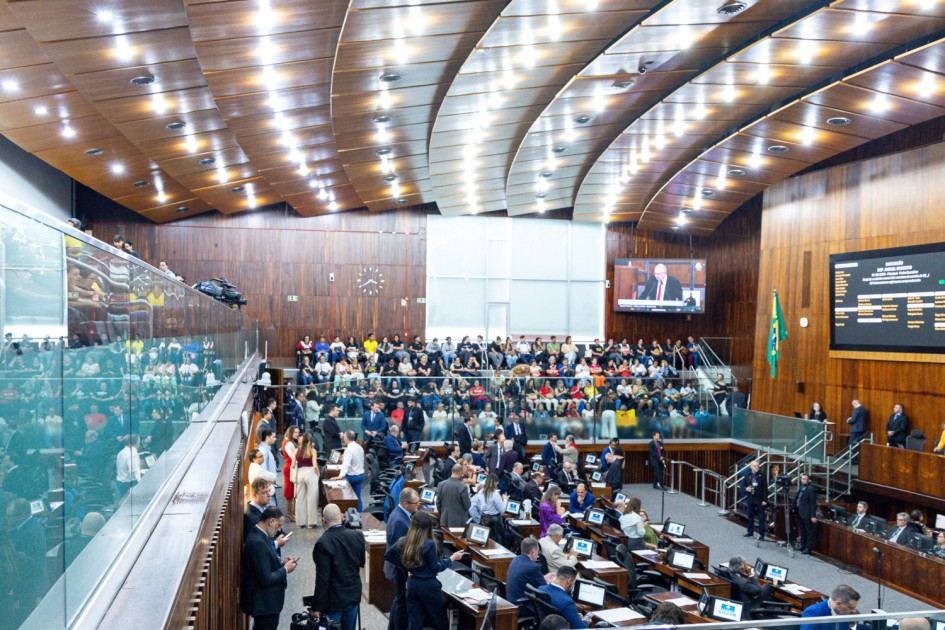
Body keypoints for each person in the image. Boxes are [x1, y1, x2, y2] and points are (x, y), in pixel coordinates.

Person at [385, 510, 464, 630]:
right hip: (429, 587)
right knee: (440, 622)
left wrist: (407, 566)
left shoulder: (403, 541)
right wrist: (452, 558)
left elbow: (389, 556)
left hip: (412, 586)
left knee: (415, 623)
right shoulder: (429, 544)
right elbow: (436, 568)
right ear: (428, 526)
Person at [240, 506, 297, 630]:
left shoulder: (261, 536)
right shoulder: (257, 542)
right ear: (271, 521)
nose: (279, 529)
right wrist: (285, 569)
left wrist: (282, 564)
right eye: (278, 525)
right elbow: (266, 578)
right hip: (264, 605)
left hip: (267, 604)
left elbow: (265, 566)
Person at [311, 504, 366, 630]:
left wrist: (316, 607)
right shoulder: (358, 536)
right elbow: (361, 562)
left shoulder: (323, 543)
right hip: (353, 596)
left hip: (333, 601)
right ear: (341, 516)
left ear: (323, 520)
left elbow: (322, 579)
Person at [386, 488, 420, 630]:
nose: (418, 506)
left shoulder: (401, 514)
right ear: (405, 504)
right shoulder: (400, 521)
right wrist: (408, 572)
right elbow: (399, 552)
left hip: (399, 569)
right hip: (400, 570)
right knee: (402, 605)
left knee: (399, 600)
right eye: (416, 503)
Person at [507, 537, 553, 603]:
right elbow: (544, 589)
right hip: (523, 606)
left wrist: (543, 578)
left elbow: (528, 578)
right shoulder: (533, 567)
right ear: (533, 552)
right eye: (538, 551)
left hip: (512, 600)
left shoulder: (516, 559)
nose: (538, 554)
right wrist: (555, 582)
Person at [295, 432, 321, 528]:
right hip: (310, 473)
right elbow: (314, 465)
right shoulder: (313, 451)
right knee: (312, 498)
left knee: (300, 498)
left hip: (300, 473)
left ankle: (300, 522)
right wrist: (318, 473)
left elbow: (293, 465)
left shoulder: (296, 450)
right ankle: (311, 522)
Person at [470, 473, 506, 543]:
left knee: (485, 539)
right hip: (494, 521)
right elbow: (502, 510)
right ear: (495, 483)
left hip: (484, 518)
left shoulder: (480, 491)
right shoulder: (495, 494)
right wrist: (505, 500)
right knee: (496, 541)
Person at [338, 430, 366, 511]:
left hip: (351, 477)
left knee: (344, 496)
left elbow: (346, 464)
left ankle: (346, 513)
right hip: (360, 476)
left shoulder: (349, 449)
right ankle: (360, 515)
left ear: (346, 438)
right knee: (357, 498)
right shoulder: (359, 447)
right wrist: (343, 458)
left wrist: (340, 476)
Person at [741, 460, 768, 539]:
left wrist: (765, 500)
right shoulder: (747, 475)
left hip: (760, 499)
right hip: (751, 498)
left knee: (761, 517)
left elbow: (765, 488)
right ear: (751, 467)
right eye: (755, 466)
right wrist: (746, 489)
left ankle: (761, 534)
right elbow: (744, 485)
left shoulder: (762, 475)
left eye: (758, 466)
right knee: (750, 516)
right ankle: (750, 532)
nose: (757, 467)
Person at [795, 473, 818, 554]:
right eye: (802, 478)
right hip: (800, 512)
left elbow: (813, 503)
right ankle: (803, 546)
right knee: (803, 531)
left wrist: (813, 515)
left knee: (808, 532)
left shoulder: (810, 489)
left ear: (808, 480)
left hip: (807, 514)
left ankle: (808, 548)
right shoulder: (802, 487)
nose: (802, 480)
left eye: (804, 479)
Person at [116, 434, 142, 498]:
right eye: (138, 441)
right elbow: (134, 471)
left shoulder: (121, 452)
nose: (139, 444)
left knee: (123, 502)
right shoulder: (133, 453)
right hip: (128, 484)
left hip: (120, 481)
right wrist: (141, 484)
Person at [282, 428, 300, 522]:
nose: (297, 434)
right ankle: (289, 513)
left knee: (292, 491)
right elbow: (293, 456)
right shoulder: (288, 443)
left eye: (298, 432)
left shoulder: (288, 442)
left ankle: (292, 512)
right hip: (290, 468)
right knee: (289, 492)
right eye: (295, 432)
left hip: (290, 467)